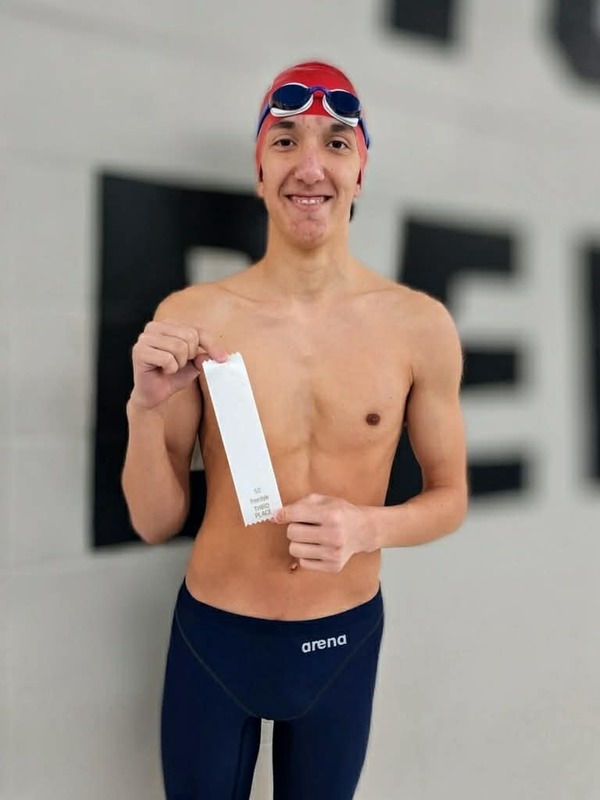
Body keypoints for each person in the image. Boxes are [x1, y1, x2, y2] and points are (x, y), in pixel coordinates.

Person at [121, 60, 468, 800]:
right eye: (285, 141)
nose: (310, 165)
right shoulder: (197, 316)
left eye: (336, 142)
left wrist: (366, 528)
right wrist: (144, 412)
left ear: (361, 172)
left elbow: (451, 497)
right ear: (258, 169)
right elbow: (155, 523)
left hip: (339, 645)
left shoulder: (419, 326)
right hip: (214, 638)